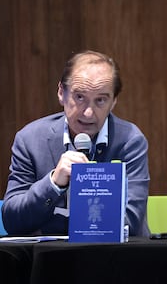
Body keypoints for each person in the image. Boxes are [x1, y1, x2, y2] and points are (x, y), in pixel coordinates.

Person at [1, 50, 150, 237]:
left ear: (114, 102)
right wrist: (54, 183)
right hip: (51, 261)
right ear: (61, 93)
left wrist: (49, 225)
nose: (88, 113)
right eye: (79, 97)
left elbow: (131, 221)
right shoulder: (30, 140)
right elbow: (12, 220)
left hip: (117, 258)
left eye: (101, 100)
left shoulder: (130, 141)